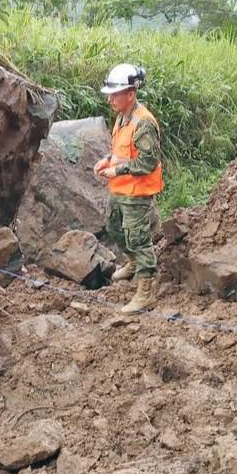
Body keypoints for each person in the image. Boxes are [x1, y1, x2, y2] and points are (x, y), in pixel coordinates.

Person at [93, 63, 164, 315]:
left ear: (131, 94)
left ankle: (145, 293)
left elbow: (147, 162)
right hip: (121, 189)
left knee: (138, 239)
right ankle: (133, 262)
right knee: (113, 226)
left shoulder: (143, 122)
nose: (110, 99)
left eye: (115, 94)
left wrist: (118, 170)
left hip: (137, 191)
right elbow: (122, 152)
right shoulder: (122, 116)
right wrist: (107, 160)